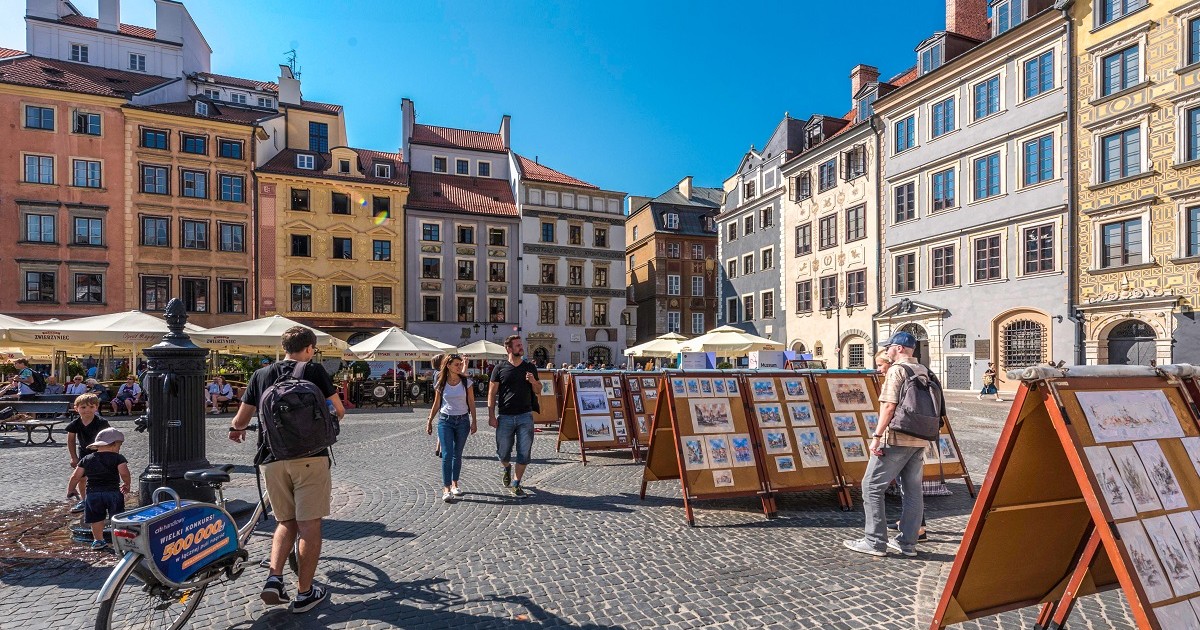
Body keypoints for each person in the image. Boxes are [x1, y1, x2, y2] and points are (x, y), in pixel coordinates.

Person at [228, 325, 344, 614]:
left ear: (284, 347)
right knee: (309, 525)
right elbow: (339, 410)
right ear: (309, 349)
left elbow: (241, 420)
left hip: (272, 458)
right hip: (311, 457)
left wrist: (236, 430)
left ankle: (274, 578)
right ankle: (304, 593)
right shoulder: (314, 372)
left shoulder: (260, 375)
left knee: (285, 522)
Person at [845, 331, 931, 558]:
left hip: (896, 437)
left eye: (890, 346)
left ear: (900, 348)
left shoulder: (897, 370)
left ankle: (874, 542)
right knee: (913, 491)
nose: (887, 350)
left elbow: (888, 407)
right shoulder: (924, 370)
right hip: (920, 438)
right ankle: (907, 543)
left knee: (871, 486)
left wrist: (876, 435)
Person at [488, 335, 539, 497]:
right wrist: (491, 415)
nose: (520, 347)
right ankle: (507, 467)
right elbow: (492, 392)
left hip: (525, 415)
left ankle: (516, 483)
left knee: (524, 452)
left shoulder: (530, 368)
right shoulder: (500, 368)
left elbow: (538, 390)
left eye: (520, 344)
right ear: (509, 349)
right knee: (503, 453)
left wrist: (533, 381)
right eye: (517, 345)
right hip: (505, 416)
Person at [66, 427, 129, 549]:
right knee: (117, 517)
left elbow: (75, 476)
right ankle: (121, 539)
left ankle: (98, 540)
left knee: (96, 518)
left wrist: (71, 489)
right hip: (113, 492)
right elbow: (124, 473)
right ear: (114, 444)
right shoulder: (118, 458)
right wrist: (127, 484)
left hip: (93, 494)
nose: (119, 448)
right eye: (119, 445)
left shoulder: (87, 459)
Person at [426, 354, 477, 502]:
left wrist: (474, 421)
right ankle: (446, 488)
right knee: (447, 454)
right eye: (457, 364)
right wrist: (429, 421)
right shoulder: (441, 383)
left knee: (457, 454)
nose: (460, 366)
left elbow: (472, 402)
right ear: (448, 365)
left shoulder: (466, 381)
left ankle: (455, 484)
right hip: (445, 420)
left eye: (461, 364)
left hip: (462, 421)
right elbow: (436, 404)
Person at [65, 393, 111, 513]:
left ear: (96, 407)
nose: (87, 410)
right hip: (83, 453)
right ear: (76, 408)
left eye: (91, 407)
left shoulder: (101, 422)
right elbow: (71, 440)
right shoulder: (75, 423)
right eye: (83, 407)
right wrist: (73, 457)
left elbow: (108, 439)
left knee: (101, 476)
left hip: (100, 452)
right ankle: (85, 500)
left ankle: (103, 498)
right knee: (81, 477)